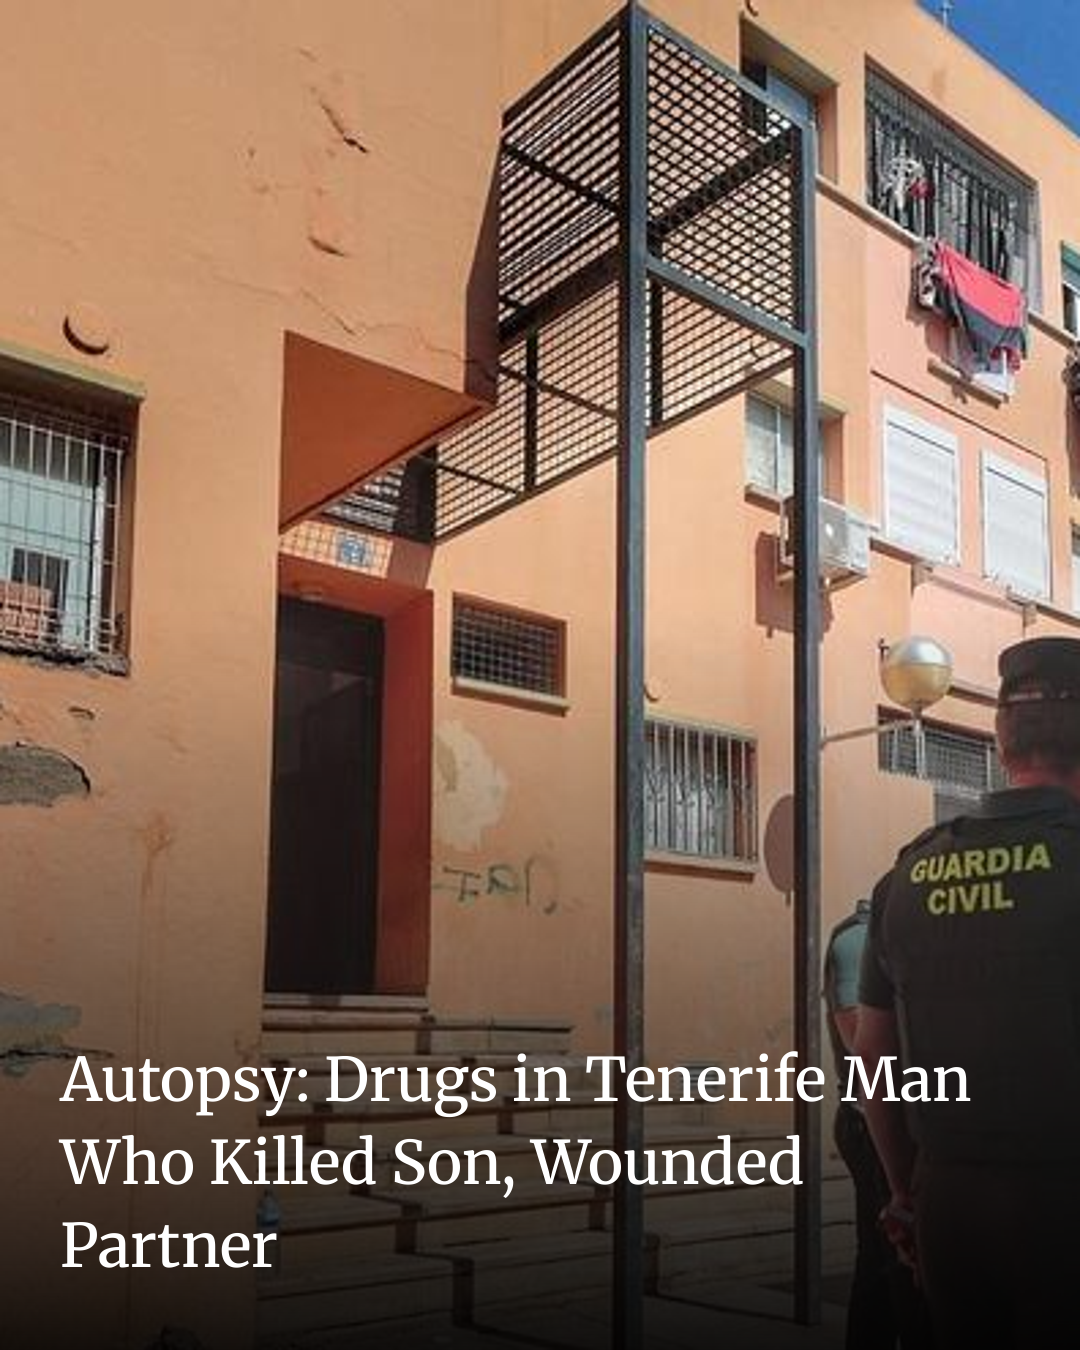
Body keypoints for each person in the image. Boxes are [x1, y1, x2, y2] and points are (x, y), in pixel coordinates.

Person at [855, 636, 1080, 1349]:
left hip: (949, 1206)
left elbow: (872, 1057)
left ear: (1003, 742)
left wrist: (904, 1193)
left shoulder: (906, 876)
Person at [825, 899, 934, 1349]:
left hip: (901, 1120)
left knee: (886, 1269)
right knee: (894, 1267)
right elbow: (863, 1046)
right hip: (873, 1124)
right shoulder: (858, 939)